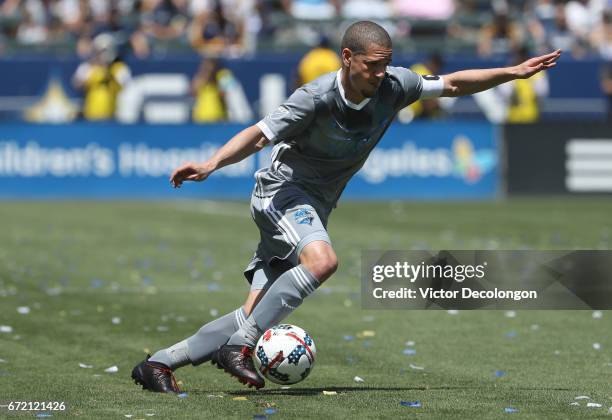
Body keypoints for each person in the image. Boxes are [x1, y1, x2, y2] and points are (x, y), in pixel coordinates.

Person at [131, 20, 561, 392]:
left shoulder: (396, 86)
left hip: (315, 203)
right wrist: (210, 164)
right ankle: (240, 347)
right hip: (282, 192)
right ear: (347, 57)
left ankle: (159, 364)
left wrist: (512, 73)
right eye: (372, 64)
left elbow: (451, 85)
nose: (380, 73)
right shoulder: (315, 98)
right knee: (322, 261)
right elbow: (259, 134)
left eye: (386, 62)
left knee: (253, 311)